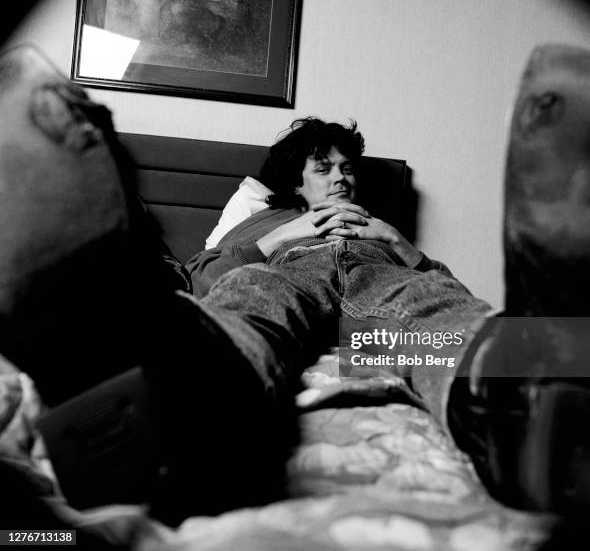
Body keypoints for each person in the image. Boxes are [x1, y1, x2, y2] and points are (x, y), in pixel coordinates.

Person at [1, 44, 589, 531]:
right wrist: (282, 239)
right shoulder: (266, 222)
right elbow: (201, 278)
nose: (342, 177)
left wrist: (402, 246)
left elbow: (443, 287)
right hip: (290, 272)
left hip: (369, 334)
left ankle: (517, 397)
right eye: (324, 168)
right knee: (252, 305)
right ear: (296, 184)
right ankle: (184, 393)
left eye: (348, 169)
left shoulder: (385, 232)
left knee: (431, 315)